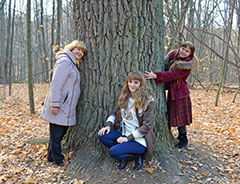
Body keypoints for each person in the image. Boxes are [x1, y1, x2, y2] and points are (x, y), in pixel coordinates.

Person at [41, 40, 87, 166]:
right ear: (71, 49)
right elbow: (56, 83)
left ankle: (50, 156)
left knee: (58, 133)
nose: (80, 52)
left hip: (66, 105)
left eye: (82, 51)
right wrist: (55, 104)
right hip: (60, 104)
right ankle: (58, 159)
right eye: (78, 49)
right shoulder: (65, 61)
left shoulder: (72, 63)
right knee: (57, 134)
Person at [144, 41, 198, 149]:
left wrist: (156, 76)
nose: (183, 52)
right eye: (183, 48)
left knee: (180, 116)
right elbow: (166, 68)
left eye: (187, 51)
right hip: (173, 91)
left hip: (181, 92)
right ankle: (179, 136)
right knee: (172, 113)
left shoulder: (186, 65)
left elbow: (173, 75)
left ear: (190, 54)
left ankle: (184, 138)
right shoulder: (173, 56)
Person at [98, 71, 155, 170]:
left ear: (141, 84)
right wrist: (108, 125)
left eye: (136, 82)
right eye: (130, 82)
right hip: (124, 133)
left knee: (113, 152)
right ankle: (125, 151)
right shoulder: (125, 97)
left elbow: (147, 127)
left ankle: (136, 156)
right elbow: (114, 113)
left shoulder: (148, 101)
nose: (132, 85)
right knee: (102, 135)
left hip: (139, 140)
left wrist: (127, 139)